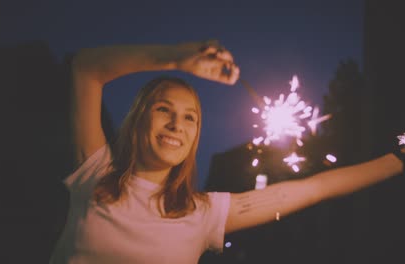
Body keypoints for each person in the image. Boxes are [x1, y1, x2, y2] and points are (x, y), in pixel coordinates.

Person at [49, 40, 404, 264]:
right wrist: (176, 60)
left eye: (190, 117)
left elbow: (315, 188)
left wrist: (398, 161)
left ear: (196, 135)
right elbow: (86, 69)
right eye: (163, 110)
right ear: (139, 118)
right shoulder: (94, 173)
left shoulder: (203, 213)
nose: (177, 124)